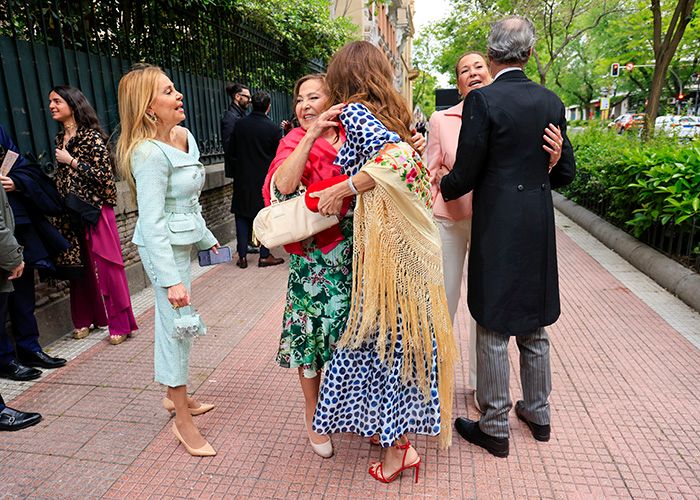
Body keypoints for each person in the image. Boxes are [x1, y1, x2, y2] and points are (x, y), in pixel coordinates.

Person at [309, 41, 457, 484]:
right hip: (412, 242)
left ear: (343, 75)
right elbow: (407, 159)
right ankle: (395, 439)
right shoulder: (393, 113)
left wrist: (344, 188)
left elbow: (395, 161)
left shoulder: (353, 112)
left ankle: (397, 452)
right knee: (402, 339)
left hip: (390, 248)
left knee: (384, 339)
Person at [440, 16, 576, 458]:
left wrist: (438, 185)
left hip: (497, 225)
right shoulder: (550, 101)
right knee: (534, 322)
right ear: (530, 53)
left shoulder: (484, 102)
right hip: (537, 223)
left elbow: (466, 172)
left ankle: (495, 425)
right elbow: (567, 173)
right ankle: (538, 413)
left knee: (493, 321)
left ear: (492, 55)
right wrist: (550, 164)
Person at [427, 51, 563, 412]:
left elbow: (527, 169)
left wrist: (554, 159)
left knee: (485, 309)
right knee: (445, 300)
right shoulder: (441, 119)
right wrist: (439, 186)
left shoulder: (509, 112)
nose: (472, 73)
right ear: (457, 82)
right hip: (452, 220)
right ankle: (435, 381)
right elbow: (430, 171)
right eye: (463, 71)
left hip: (495, 224)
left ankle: (479, 386)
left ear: (491, 71)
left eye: (478, 67)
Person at [116, 64, 219, 457]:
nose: (178, 95)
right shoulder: (147, 154)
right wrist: (170, 279)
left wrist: (208, 240)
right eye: (167, 91)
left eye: (175, 88)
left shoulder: (184, 136)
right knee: (178, 327)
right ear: (147, 108)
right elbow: (152, 220)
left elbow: (189, 202)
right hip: (162, 249)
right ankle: (182, 420)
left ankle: (176, 396)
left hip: (183, 242)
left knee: (177, 325)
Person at [49, 86, 138, 345]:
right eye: (50, 102)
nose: (52, 106)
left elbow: (105, 179)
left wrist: (72, 161)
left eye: (57, 101)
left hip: (97, 209)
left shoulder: (92, 138)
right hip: (71, 211)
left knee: (108, 266)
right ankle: (88, 318)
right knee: (79, 266)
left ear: (72, 103)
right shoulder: (60, 139)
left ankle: (121, 323)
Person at [0, 125, 68, 380]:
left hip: (15, 222)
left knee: (23, 292)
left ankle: (29, 348)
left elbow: (18, 162)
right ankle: (5, 360)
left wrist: (15, 182)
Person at [229, 91, 284, 269]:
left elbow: (231, 150)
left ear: (252, 104)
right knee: (266, 216)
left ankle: (242, 256)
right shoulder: (273, 129)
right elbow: (278, 156)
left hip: (242, 177)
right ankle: (264, 255)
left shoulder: (239, 125)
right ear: (268, 106)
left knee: (242, 215)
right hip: (263, 179)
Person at [221, 82, 250, 178]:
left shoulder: (240, 115)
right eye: (247, 97)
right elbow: (228, 146)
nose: (249, 100)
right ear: (237, 96)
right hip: (239, 169)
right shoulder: (230, 117)